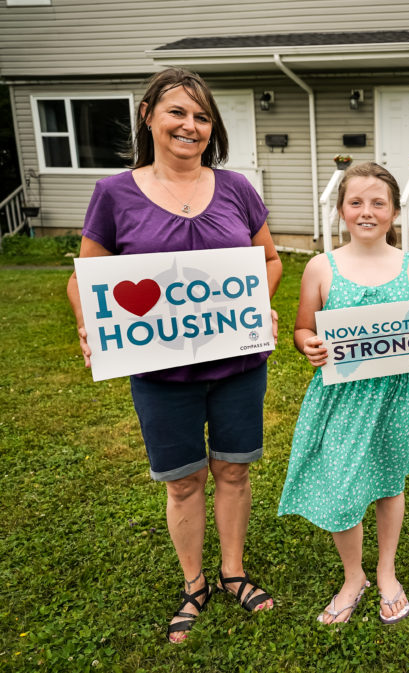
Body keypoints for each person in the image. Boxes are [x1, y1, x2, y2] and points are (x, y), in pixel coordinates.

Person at [66, 67, 281, 643]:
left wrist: (258, 305)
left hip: (238, 365)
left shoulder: (236, 187)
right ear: (148, 117)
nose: (191, 125)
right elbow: (86, 277)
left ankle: (233, 572)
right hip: (162, 373)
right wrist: (90, 323)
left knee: (234, 470)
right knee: (183, 481)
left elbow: (271, 261)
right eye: (178, 113)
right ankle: (195, 583)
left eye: (202, 116)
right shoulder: (114, 194)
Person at [277, 161, 409, 625]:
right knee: (341, 487)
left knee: (390, 482)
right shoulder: (320, 267)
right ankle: (353, 576)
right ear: (341, 210)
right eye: (356, 202)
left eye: (378, 203)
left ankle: (386, 571)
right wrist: (307, 344)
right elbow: (301, 329)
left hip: (393, 397)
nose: (367, 211)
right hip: (340, 400)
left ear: (394, 212)